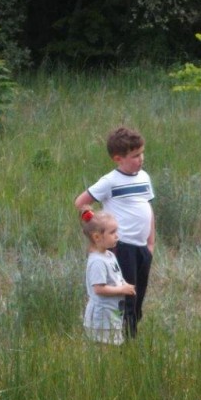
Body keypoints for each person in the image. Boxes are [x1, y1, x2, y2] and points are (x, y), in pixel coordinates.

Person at [74, 126, 155, 338]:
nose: (140, 159)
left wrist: (150, 244)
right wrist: (96, 224)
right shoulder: (110, 181)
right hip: (123, 246)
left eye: (142, 153)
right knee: (126, 296)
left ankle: (130, 337)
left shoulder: (144, 177)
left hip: (142, 248)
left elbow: (147, 208)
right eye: (135, 156)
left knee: (138, 295)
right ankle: (120, 340)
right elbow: (81, 202)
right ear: (118, 158)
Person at [81, 209, 136, 345]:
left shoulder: (109, 255)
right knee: (105, 349)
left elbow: (116, 276)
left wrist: (125, 284)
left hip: (112, 315)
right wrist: (122, 290)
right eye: (112, 232)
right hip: (101, 320)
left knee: (114, 345)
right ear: (97, 237)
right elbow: (99, 289)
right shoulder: (97, 262)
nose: (117, 236)